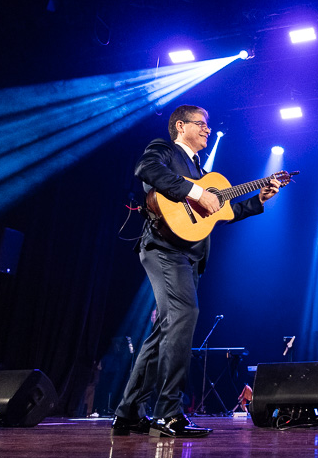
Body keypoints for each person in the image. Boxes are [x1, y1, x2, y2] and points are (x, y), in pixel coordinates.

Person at [112, 105, 280, 438]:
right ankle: (169, 412)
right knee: (186, 313)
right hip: (164, 248)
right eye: (201, 124)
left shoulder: (201, 170)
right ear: (180, 126)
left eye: (207, 124)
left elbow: (221, 213)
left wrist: (258, 199)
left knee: (166, 329)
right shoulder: (164, 150)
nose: (207, 129)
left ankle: (129, 412)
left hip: (190, 256)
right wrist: (195, 191)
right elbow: (146, 169)